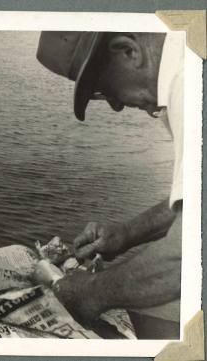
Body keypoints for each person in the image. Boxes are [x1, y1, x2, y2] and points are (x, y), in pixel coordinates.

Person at [36, 31, 184, 337]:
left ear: (128, 51)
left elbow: (189, 251)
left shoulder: (187, 84)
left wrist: (90, 294)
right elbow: (196, 201)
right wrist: (126, 234)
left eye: (105, 90)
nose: (116, 106)